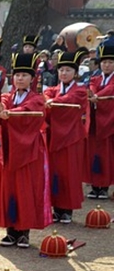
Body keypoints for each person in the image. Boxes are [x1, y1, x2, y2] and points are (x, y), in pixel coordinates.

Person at [0, 53, 51, 247]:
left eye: (24, 75)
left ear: (32, 79)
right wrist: (0, 110)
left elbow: (29, 111)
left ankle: (24, 231)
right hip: (10, 148)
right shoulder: (5, 97)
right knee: (9, 189)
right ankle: (11, 231)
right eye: (17, 74)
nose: (19, 78)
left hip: (28, 150)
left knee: (25, 189)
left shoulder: (36, 99)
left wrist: (9, 113)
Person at [43, 49, 88, 224]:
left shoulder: (80, 91)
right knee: (55, 172)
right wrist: (49, 100)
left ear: (75, 73)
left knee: (69, 173)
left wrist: (52, 102)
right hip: (54, 136)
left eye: (68, 70)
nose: (64, 73)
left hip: (71, 138)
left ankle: (67, 209)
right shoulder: (53, 90)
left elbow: (70, 100)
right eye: (61, 70)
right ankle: (56, 208)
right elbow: (45, 97)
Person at [87, 45, 114, 200]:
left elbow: (110, 90)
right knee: (94, 153)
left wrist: (97, 96)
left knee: (107, 154)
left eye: (110, 62)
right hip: (96, 122)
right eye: (104, 62)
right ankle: (94, 185)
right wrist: (92, 94)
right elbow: (91, 87)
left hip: (109, 122)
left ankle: (104, 186)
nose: (106, 65)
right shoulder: (95, 78)